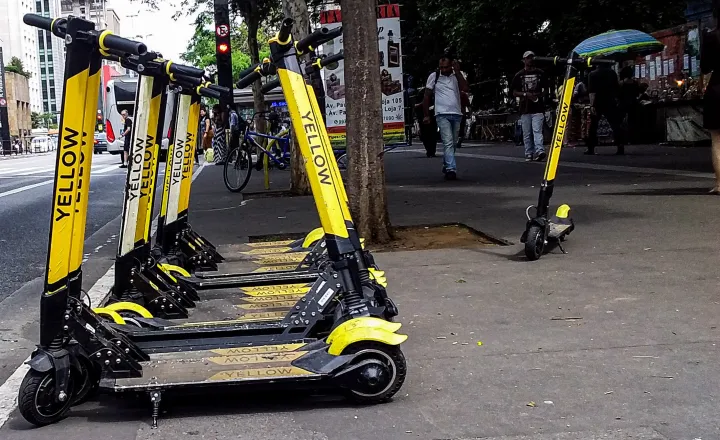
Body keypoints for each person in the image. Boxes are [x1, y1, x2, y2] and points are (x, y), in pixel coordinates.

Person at [423, 56, 469, 180]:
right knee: (447, 142)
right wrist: (426, 114)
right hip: (441, 113)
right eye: (441, 67)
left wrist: (458, 72)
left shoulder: (457, 76)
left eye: (446, 67)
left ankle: (446, 163)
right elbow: (426, 95)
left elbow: (465, 88)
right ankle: (451, 169)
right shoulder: (434, 76)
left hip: (456, 113)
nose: (443, 69)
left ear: (451, 66)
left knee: (453, 142)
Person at [512, 51, 548, 162]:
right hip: (525, 108)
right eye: (528, 58)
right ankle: (529, 152)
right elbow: (514, 92)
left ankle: (540, 150)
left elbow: (546, 89)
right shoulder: (519, 75)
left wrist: (540, 95)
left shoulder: (541, 73)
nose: (530, 60)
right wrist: (525, 94)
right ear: (524, 60)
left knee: (537, 130)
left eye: (532, 58)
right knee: (527, 132)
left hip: (537, 107)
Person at [586, 62, 625, 155]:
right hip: (610, 100)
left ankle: (591, 148)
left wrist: (592, 105)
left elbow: (592, 91)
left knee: (593, 125)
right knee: (615, 124)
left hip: (598, 101)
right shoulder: (612, 73)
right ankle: (620, 145)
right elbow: (617, 88)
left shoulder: (592, 74)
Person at [702, 1, 720, 194]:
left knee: (717, 138)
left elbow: (705, 67)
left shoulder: (710, 36)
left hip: (717, 88)